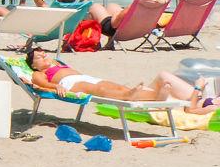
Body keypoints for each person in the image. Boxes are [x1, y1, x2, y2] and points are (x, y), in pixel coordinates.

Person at [24, 45, 216, 111]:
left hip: (85, 77)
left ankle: (144, 95)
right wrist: (54, 88)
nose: (43, 55)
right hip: (71, 84)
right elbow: (40, 85)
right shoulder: (38, 73)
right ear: (33, 64)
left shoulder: (58, 63)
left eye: (42, 53)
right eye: (38, 57)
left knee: (113, 86)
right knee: (103, 91)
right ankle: (134, 95)